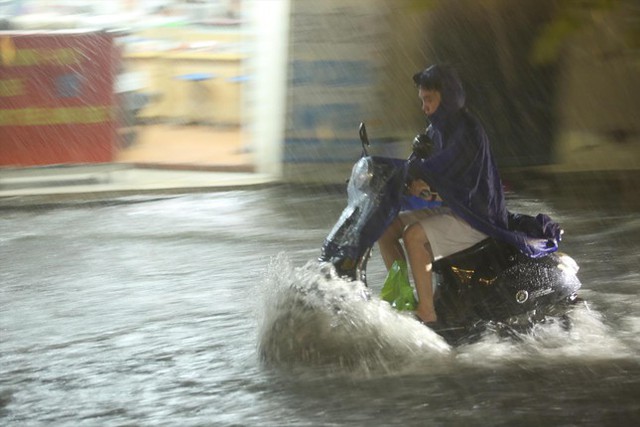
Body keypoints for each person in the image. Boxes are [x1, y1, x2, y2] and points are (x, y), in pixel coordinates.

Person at [379, 64, 562, 325]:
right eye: (422, 100)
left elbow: (440, 167)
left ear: (448, 98)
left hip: (476, 215)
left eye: (429, 99)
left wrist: (419, 176)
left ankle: (427, 313)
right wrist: (397, 177)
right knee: (387, 229)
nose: (424, 107)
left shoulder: (467, 131)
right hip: (453, 208)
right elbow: (420, 164)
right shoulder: (436, 132)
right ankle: (400, 299)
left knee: (413, 236)